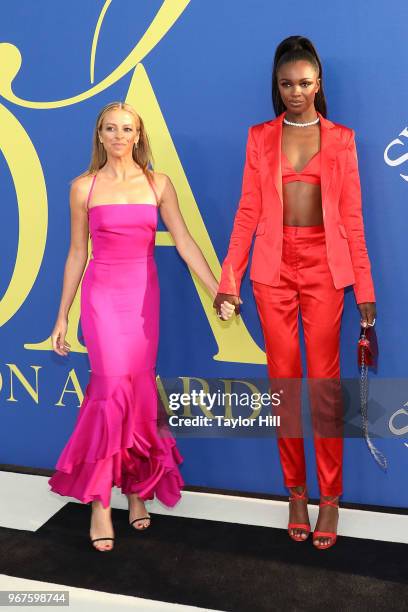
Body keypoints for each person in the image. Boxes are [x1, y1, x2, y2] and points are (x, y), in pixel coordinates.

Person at [213, 36, 376, 550]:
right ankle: (297, 493)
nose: (296, 92)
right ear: (276, 86)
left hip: (327, 271)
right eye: (287, 84)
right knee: (284, 385)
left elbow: (353, 218)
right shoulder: (260, 136)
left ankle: (330, 499)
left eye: (305, 83)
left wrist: (365, 287)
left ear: (319, 83)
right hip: (272, 271)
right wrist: (228, 278)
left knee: (324, 388)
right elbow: (246, 213)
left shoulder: (343, 139)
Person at [49, 101, 234, 552]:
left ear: (138, 135)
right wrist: (62, 316)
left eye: (126, 129)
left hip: (143, 301)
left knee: (136, 392)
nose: (117, 136)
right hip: (101, 299)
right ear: (99, 135)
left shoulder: (158, 184)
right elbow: (77, 253)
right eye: (109, 128)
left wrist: (218, 291)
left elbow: (186, 242)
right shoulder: (83, 188)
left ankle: (134, 490)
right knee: (110, 389)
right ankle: (98, 502)